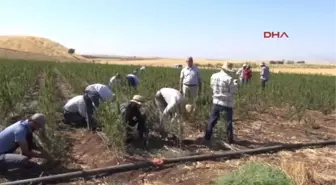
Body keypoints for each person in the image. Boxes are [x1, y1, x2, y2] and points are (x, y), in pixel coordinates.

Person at [204, 62, 239, 144]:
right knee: (228, 122)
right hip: (226, 103)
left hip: (216, 102)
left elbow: (212, 87)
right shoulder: (229, 79)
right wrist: (235, 84)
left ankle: (207, 137)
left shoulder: (213, 76)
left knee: (211, 121)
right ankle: (230, 140)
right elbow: (234, 91)